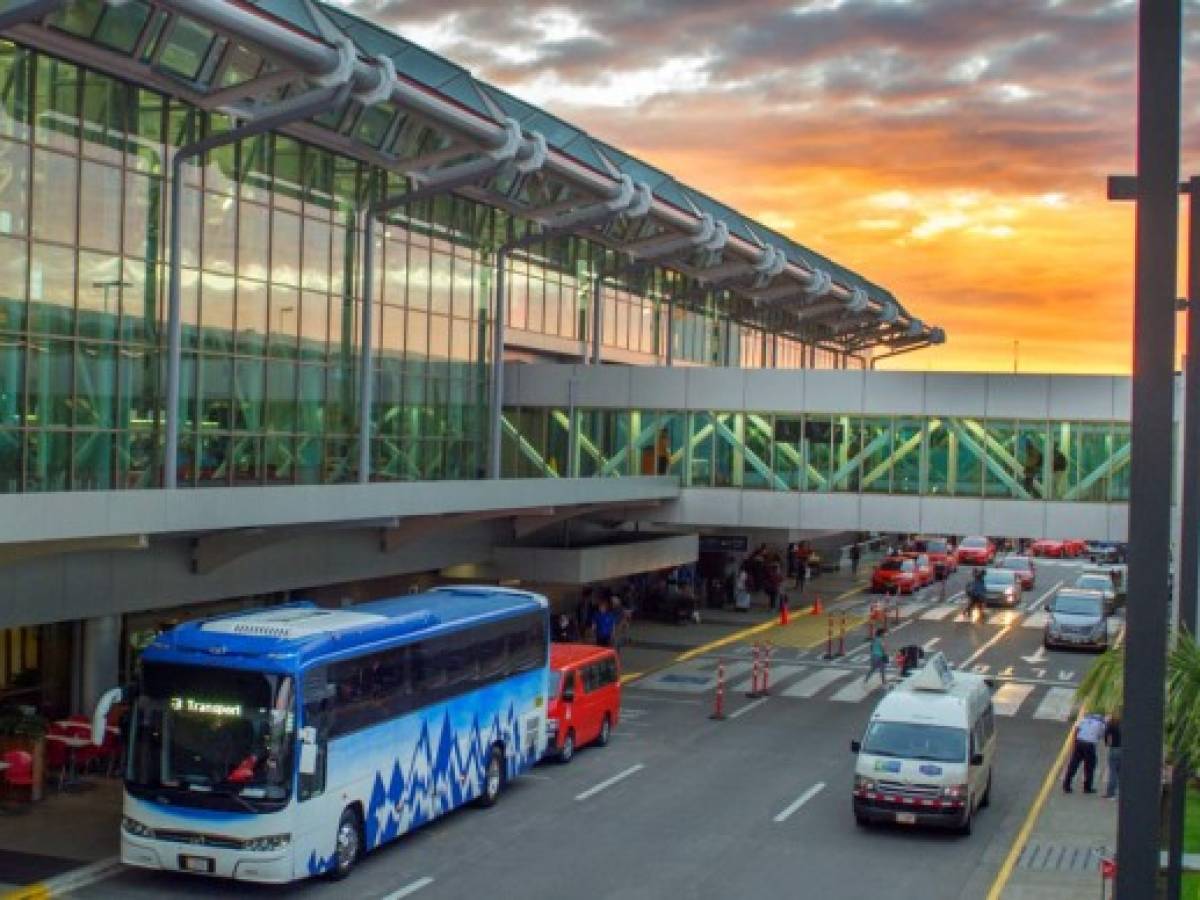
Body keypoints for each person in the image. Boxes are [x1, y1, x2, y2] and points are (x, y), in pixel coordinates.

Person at [1063, 712, 1106, 793]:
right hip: (1089, 745)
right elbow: (1100, 735)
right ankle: (1087, 787)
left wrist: (1074, 743)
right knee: (1090, 766)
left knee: (1073, 764)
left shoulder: (1084, 718)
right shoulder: (1101, 723)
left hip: (1079, 742)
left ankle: (1066, 784)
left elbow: (1076, 729)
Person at [1104, 713, 1121, 799]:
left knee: (1113, 772)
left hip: (1115, 749)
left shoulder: (1112, 724)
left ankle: (1110, 793)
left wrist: (1106, 742)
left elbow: (1106, 734)